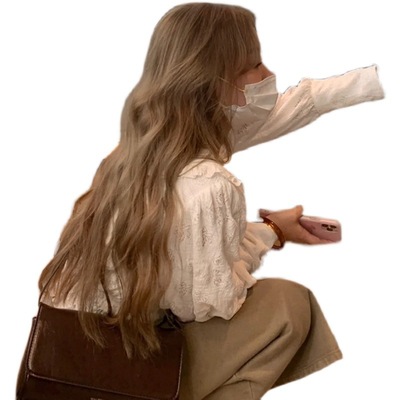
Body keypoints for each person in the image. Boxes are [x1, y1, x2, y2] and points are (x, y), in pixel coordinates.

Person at [38, 3, 384, 399]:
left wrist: (272, 230)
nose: (268, 76)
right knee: (289, 304)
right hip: (122, 374)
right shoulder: (208, 185)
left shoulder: (135, 153)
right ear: (212, 81)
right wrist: (268, 234)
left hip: (65, 360)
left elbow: (288, 109)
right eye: (253, 66)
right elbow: (211, 302)